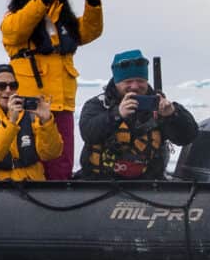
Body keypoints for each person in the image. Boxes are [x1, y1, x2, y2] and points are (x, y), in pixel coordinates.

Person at [0, 0, 101, 179]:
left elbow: (89, 32)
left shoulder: (63, 21)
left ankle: (60, 208)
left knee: (60, 167)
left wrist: (92, 3)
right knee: (32, 163)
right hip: (30, 107)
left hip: (62, 105)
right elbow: (16, 31)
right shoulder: (15, 19)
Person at [79, 49, 197, 180]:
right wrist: (116, 114)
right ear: (117, 82)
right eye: (128, 81)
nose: (135, 86)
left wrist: (172, 115)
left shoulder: (161, 106)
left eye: (140, 80)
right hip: (98, 183)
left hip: (149, 185)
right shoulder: (98, 105)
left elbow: (188, 137)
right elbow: (88, 133)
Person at [0, 63, 64, 182]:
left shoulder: (31, 115)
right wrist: (11, 122)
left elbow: (51, 153)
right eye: (0, 86)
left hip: (32, 187)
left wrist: (46, 121)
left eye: (13, 85)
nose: (7, 90)